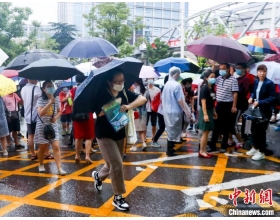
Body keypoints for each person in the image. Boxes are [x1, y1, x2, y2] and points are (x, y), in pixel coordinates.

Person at [91, 68, 146, 211]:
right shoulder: (100, 93)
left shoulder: (124, 92)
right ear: (109, 82)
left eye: (122, 81)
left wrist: (129, 105)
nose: (120, 84)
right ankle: (118, 197)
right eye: (117, 81)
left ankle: (98, 176)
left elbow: (142, 98)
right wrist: (116, 103)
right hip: (104, 134)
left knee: (113, 163)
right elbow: (100, 113)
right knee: (116, 163)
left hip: (120, 132)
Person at [34, 81, 66, 175]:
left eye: (52, 86)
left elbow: (60, 111)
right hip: (42, 126)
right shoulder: (40, 100)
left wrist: (55, 118)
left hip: (53, 125)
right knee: (43, 148)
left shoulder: (57, 99)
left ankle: (59, 168)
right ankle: (41, 164)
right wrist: (49, 102)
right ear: (44, 89)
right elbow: (41, 113)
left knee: (56, 147)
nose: (51, 88)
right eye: (48, 86)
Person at [246, 64, 276, 160]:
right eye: (260, 71)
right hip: (256, 110)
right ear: (257, 72)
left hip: (264, 111)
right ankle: (255, 147)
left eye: (263, 71)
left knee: (261, 132)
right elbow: (254, 92)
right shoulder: (256, 81)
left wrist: (260, 102)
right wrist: (251, 97)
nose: (261, 73)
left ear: (266, 72)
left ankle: (261, 151)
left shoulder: (269, 83)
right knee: (254, 130)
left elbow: (272, 97)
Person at [208, 63, 239, 153]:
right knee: (216, 126)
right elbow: (210, 81)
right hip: (219, 105)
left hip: (228, 105)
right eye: (220, 69)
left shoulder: (233, 80)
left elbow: (235, 93)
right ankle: (212, 145)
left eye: (223, 69)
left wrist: (234, 106)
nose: (221, 70)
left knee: (226, 127)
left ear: (228, 69)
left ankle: (223, 146)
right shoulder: (218, 78)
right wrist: (213, 69)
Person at [162, 67, 192, 156]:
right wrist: (186, 110)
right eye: (179, 74)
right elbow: (180, 100)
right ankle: (169, 150)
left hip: (167, 110)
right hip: (175, 111)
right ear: (176, 74)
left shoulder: (167, 84)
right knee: (174, 130)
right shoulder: (176, 85)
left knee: (170, 129)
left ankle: (170, 148)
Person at [21, 79, 53, 160]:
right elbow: (44, 97)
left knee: (30, 135)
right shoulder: (36, 88)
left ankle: (32, 154)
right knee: (43, 135)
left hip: (28, 115)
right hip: (37, 116)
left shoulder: (23, 88)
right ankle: (45, 153)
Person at [70, 74, 95, 164]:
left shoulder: (73, 90)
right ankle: (87, 156)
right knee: (89, 136)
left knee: (78, 136)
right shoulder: (88, 89)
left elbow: (70, 102)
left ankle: (77, 155)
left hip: (77, 115)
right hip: (88, 114)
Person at [228, 63, 251, 148]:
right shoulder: (235, 79)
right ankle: (230, 139)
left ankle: (242, 141)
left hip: (240, 105)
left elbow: (242, 92)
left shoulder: (246, 79)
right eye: (236, 68)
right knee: (230, 123)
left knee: (235, 124)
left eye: (240, 68)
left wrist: (234, 91)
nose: (237, 69)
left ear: (244, 69)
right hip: (233, 104)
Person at [198, 70, 218, 158]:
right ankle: (201, 151)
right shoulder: (205, 88)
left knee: (207, 132)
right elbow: (203, 102)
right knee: (205, 133)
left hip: (209, 111)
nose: (213, 79)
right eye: (211, 77)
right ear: (206, 78)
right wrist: (205, 115)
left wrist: (214, 112)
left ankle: (204, 150)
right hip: (205, 111)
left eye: (214, 77)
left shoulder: (211, 88)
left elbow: (212, 101)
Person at [151, 75, 169, 148]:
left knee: (162, 127)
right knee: (162, 127)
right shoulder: (165, 89)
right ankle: (154, 140)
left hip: (162, 111)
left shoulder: (164, 88)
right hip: (162, 111)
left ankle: (155, 139)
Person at [131, 79, 147, 151]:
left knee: (133, 129)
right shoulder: (145, 90)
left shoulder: (134, 90)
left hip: (135, 112)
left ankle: (134, 145)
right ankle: (143, 143)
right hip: (143, 112)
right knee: (141, 129)